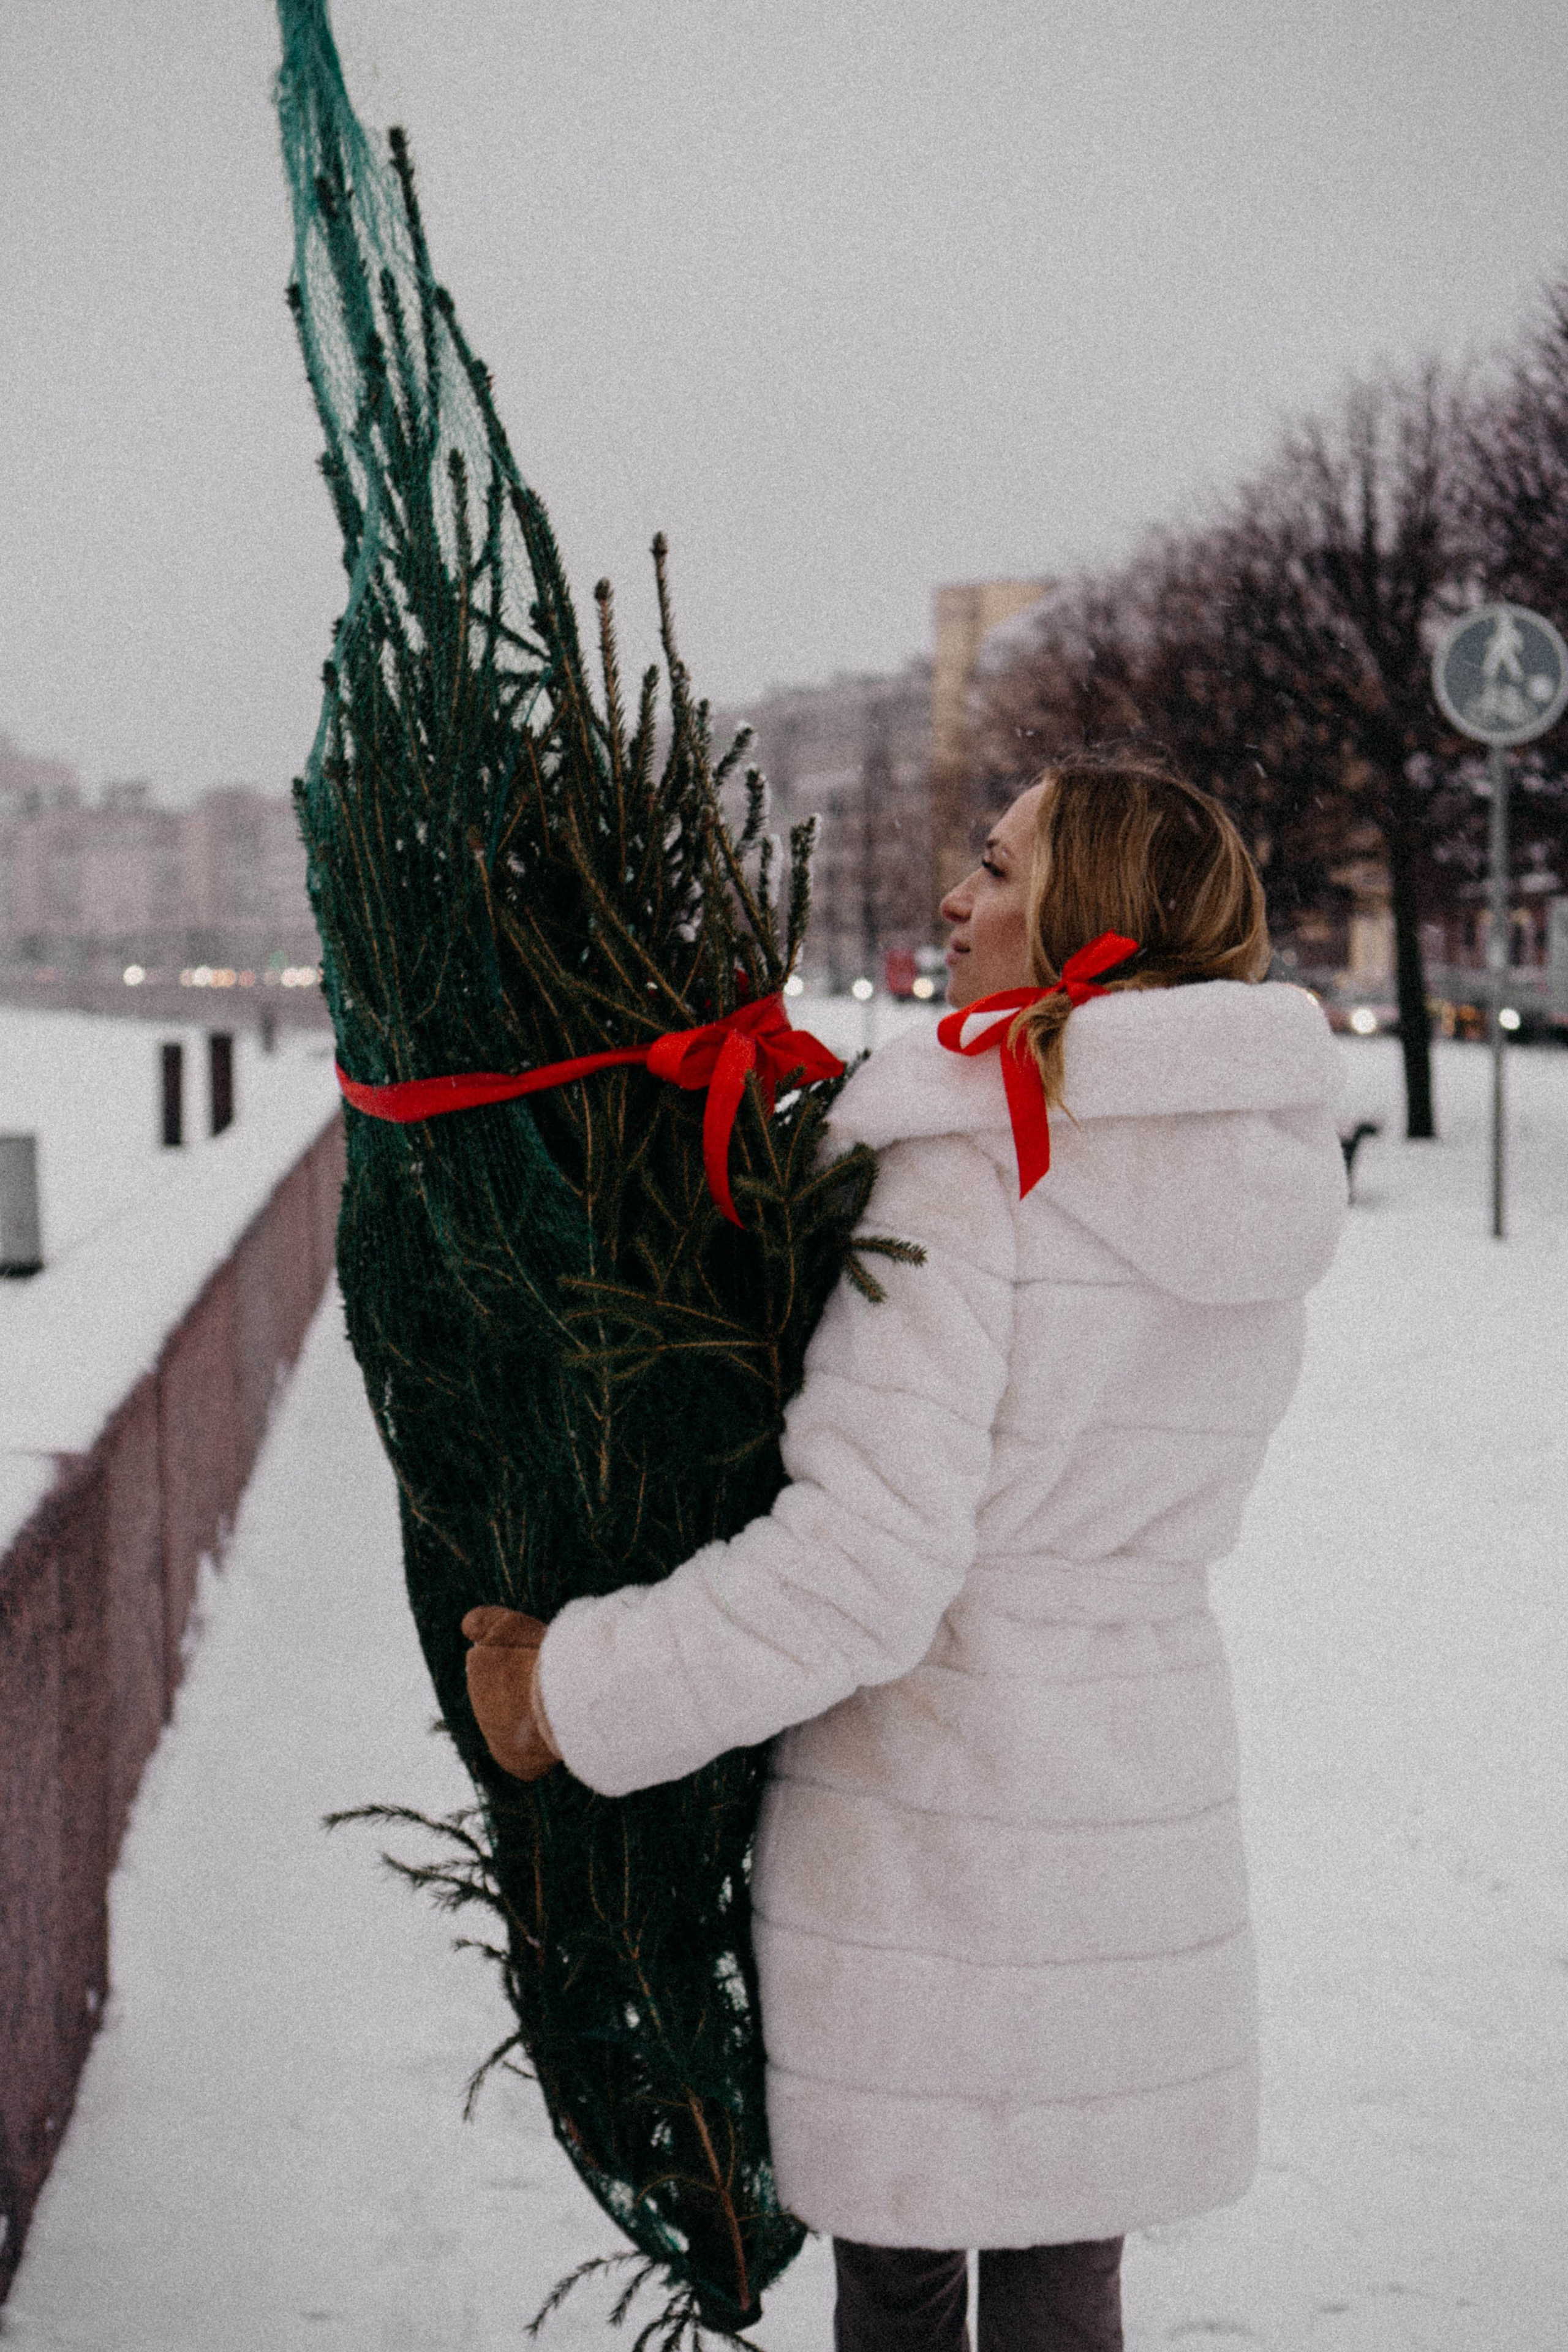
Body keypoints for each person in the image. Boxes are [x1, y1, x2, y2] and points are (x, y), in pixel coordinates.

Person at [463, 754, 1348, 2352]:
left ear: (1090, 918)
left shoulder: (974, 1155)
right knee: (1070, 2271)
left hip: (939, 1819)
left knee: (903, 2272)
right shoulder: (1253, 1181)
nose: (959, 897)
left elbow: (866, 1571)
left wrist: (571, 1687)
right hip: (1134, 1791)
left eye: (1000, 869)